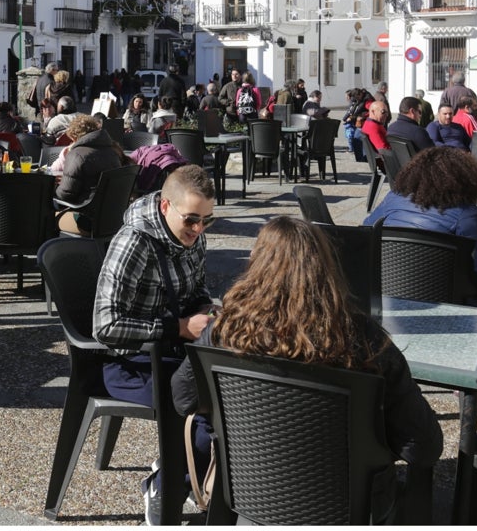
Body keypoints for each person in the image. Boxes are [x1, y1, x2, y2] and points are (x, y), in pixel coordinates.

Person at [171, 217, 441, 482]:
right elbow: (423, 447)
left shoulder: (225, 330)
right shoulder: (362, 338)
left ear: (255, 265)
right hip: (347, 499)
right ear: (325, 266)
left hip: (250, 488)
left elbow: (184, 398)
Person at [94, 164, 217, 525]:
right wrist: (178, 327)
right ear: (165, 207)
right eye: (191, 220)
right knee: (205, 410)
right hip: (125, 363)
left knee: (234, 392)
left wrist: (206, 307)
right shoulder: (133, 241)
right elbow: (105, 327)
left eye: (207, 221)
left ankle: (190, 471)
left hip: (172, 352)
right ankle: (165, 488)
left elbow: (196, 290)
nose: (199, 230)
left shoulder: (195, 233)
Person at [366, 146, 477, 291]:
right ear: (466, 179)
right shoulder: (466, 214)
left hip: (386, 292)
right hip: (445, 300)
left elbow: (365, 233)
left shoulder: (393, 198)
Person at [55, 115, 124, 233]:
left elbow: (65, 195)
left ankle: (49, 250)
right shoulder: (113, 152)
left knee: (45, 216)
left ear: (76, 137)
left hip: (86, 221)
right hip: (113, 220)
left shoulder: (77, 154)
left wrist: (55, 188)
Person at [342, 88, 371, 161]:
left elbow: (371, 111)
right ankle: (360, 158)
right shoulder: (359, 100)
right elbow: (353, 109)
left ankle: (364, 158)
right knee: (356, 139)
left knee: (360, 139)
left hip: (365, 122)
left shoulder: (368, 100)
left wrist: (361, 116)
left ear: (360, 94)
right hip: (359, 122)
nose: (357, 99)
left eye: (357, 97)